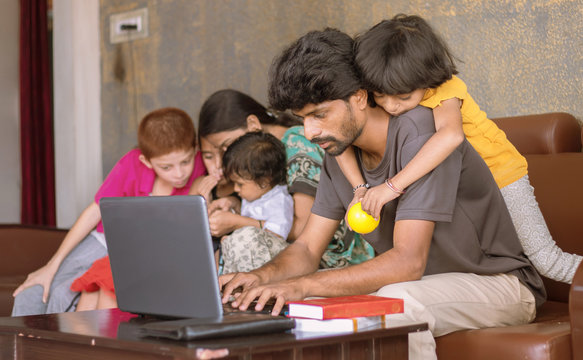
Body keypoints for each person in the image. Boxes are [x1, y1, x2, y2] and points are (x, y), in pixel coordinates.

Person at [219, 28, 545, 360]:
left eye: (319, 114)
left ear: (360, 96)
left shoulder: (420, 134)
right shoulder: (339, 153)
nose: (310, 132)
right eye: (302, 119)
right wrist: (257, 278)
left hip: (501, 286)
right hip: (421, 285)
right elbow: (305, 248)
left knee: (396, 302)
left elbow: (407, 263)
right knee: (303, 308)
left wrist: (302, 284)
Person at [333, 14, 582, 284]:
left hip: (501, 176)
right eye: (380, 96)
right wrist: (360, 188)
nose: (391, 106)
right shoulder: (388, 92)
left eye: (403, 97)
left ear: (427, 78)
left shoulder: (444, 89)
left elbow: (451, 136)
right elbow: (341, 141)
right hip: (463, 188)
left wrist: (391, 187)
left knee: (547, 261)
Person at [12, 107, 209, 315]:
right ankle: (24, 347)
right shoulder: (132, 163)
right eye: (166, 167)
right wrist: (52, 265)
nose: (179, 173)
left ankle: (55, 346)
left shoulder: (201, 168)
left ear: (195, 150)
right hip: (104, 241)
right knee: (31, 293)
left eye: (185, 162)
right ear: (146, 161)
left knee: (62, 294)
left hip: (140, 253)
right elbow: (94, 211)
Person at [198, 89, 374, 270]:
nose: (224, 157)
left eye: (227, 145)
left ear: (252, 124)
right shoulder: (259, 159)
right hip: (299, 249)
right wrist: (233, 203)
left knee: (244, 241)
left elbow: (304, 230)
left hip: (332, 257)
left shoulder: (298, 144)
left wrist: (237, 223)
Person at [217, 131, 293, 274]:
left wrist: (237, 223)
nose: (235, 189)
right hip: (248, 258)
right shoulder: (255, 194)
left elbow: (277, 233)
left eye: (240, 184)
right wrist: (233, 204)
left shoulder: (279, 201)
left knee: (244, 237)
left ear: (264, 181)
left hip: (269, 260)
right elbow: (250, 215)